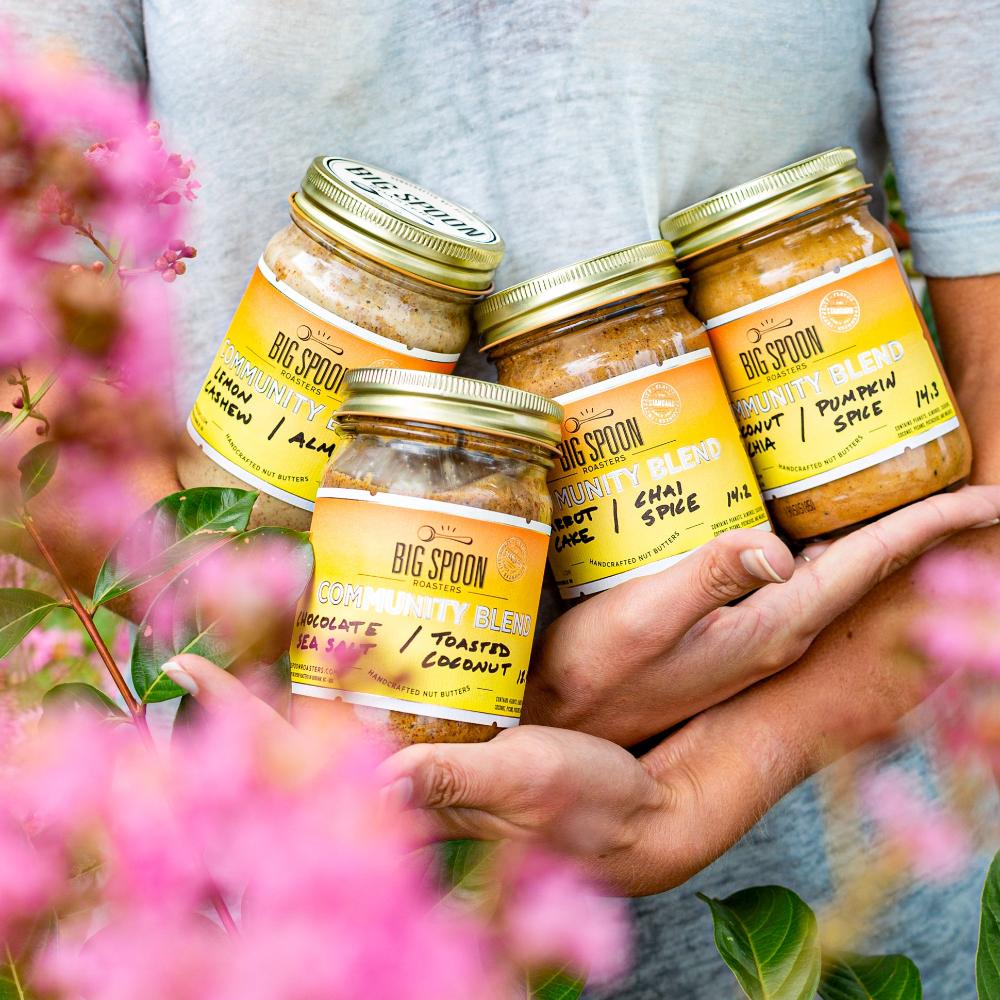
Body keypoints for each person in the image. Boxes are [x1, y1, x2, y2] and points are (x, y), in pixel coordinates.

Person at [8, 2, 1000, 995]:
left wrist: (710, 780)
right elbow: (30, 374)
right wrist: (324, 689)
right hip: (308, 893)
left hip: (845, 878)